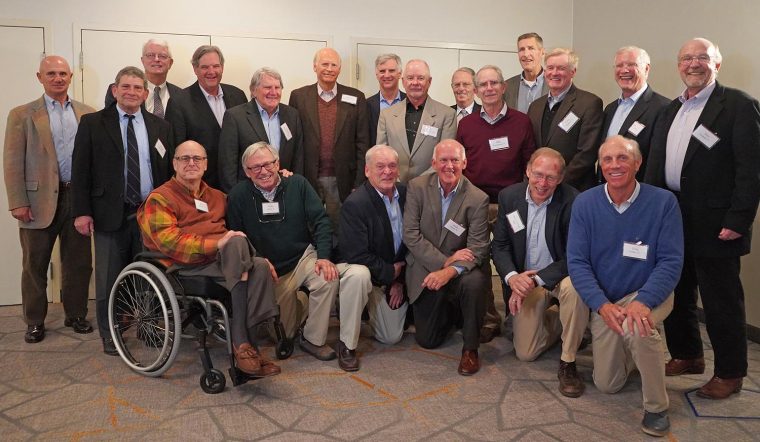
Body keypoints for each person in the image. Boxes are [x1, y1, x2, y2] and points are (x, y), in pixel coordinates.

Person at [645, 38, 760, 400]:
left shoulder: (738, 105)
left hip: (717, 221)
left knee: (720, 298)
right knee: (676, 289)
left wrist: (739, 219)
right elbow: (655, 165)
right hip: (672, 214)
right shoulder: (670, 110)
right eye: (687, 58)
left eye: (702, 58)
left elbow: (751, 169)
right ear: (678, 65)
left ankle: (730, 372)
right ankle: (687, 354)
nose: (693, 64)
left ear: (717, 64)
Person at [568, 135, 683, 437]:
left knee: (638, 328)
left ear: (638, 162)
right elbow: (577, 262)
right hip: (606, 299)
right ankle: (645, 350)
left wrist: (643, 301)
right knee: (608, 384)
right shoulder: (585, 203)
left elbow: (671, 261)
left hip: (648, 292)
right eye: (607, 159)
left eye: (623, 158)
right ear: (600, 165)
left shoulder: (663, 202)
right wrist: (602, 306)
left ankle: (657, 408)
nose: (615, 165)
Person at [137, 141, 280, 377]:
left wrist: (281, 177)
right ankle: (241, 342)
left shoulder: (217, 196)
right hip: (183, 266)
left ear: (205, 164)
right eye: (185, 158)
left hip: (224, 262)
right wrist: (218, 244)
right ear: (174, 163)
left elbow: (249, 204)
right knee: (233, 243)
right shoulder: (159, 199)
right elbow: (170, 242)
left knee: (261, 265)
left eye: (197, 159)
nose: (191, 163)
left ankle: (249, 348)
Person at [226, 142, 371, 371]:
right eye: (255, 168)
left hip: (303, 259)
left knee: (327, 276)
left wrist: (324, 256)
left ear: (278, 164)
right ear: (246, 172)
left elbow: (322, 221)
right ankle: (301, 313)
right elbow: (237, 239)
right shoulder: (238, 196)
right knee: (285, 332)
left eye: (267, 164)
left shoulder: (297, 184)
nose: (263, 171)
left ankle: (313, 339)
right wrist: (258, 261)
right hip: (271, 271)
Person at [72, 66, 174, 355]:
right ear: (115, 90)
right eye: (125, 87)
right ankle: (110, 333)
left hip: (149, 215)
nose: (131, 92)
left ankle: (148, 326)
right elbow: (81, 170)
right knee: (109, 278)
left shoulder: (160, 126)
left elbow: (165, 171)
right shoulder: (92, 123)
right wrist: (81, 211)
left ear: (145, 93)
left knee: (151, 274)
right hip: (108, 214)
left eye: (137, 88)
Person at [4, 55, 95, 343]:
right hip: (37, 201)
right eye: (51, 73)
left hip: (77, 198)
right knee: (35, 266)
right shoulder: (22, 114)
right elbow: (12, 160)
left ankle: (76, 314)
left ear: (71, 77)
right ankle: (34, 321)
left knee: (78, 263)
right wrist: (18, 200)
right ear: (40, 77)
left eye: (63, 73)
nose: (58, 78)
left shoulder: (87, 113)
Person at [492, 148, 586, 397]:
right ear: (527, 171)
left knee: (573, 290)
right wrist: (513, 278)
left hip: (558, 277)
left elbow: (575, 256)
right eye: (538, 174)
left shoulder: (573, 201)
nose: (542, 183)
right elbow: (499, 246)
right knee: (525, 352)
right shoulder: (508, 197)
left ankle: (569, 358)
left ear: (561, 179)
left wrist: (537, 279)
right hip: (524, 279)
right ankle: (563, 321)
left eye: (551, 178)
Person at [456, 64, 537, 342]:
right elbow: (461, 166)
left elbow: (530, 162)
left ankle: (515, 316)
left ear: (503, 87)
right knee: (478, 261)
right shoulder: (466, 124)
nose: (489, 89)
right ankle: (488, 319)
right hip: (477, 203)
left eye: (494, 83)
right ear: (476, 91)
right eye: (483, 85)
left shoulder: (521, 121)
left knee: (511, 258)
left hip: (510, 203)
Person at [403, 139, 490, 375]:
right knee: (428, 340)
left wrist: (449, 271)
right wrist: (443, 261)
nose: (449, 166)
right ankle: (453, 313)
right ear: (433, 163)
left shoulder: (477, 198)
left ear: (464, 162)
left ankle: (470, 349)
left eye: (454, 160)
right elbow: (410, 235)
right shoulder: (417, 187)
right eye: (443, 160)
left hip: (460, 273)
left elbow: (478, 247)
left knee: (475, 282)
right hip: (426, 269)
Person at [288, 48, 369, 228]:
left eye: (334, 65)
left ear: (339, 69)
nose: (329, 69)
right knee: (309, 224)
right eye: (325, 64)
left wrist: (359, 182)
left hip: (342, 178)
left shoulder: (356, 97)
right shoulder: (298, 97)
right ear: (314, 66)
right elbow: (293, 142)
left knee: (340, 227)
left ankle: (339, 257)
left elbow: (363, 143)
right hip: (308, 176)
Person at [338, 145, 408, 345]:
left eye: (392, 166)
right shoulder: (355, 204)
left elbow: (413, 240)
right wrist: (390, 274)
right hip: (373, 273)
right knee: (359, 276)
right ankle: (357, 304)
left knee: (391, 337)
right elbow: (356, 255)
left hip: (397, 273)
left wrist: (399, 281)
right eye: (380, 166)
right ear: (367, 171)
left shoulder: (407, 194)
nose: (387, 171)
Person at [166, 45, 247, 189]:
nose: (211, 72)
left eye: (216, 66)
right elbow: (176, 149)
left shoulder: (238, 95)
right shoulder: (179, 102)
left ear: (222, 67)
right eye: (204, 67)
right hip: (201, 186)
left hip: (238, 184)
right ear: (195, 69)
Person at [527, 48, 603, 190]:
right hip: (540, 188)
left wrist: (557, 182)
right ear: (545, 71)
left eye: (561, 68)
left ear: (573, 72)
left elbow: (587, 153)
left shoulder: (589, 103)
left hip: (573, 188)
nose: (554, 73)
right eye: (550, 68)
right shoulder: (535, 107)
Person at [218, 67, 303, 192]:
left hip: (284, 190)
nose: (273, 92)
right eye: (268, 87)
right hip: (248, 193)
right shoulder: (235, 117)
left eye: (277, 87)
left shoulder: (292, 115)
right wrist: (235, 195)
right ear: (253, 90)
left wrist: (295, 186)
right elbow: (227, 164)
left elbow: (298, 157)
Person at [377, 59, 457, 183]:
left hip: (430, 188)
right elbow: (381, 153)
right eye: (410, 78)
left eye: (420, 78)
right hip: (394, 186)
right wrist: (395, 179)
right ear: (403, 81)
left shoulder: (447, 115)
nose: (415, 83)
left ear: (429, 81)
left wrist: (419, 184)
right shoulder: (386, 115)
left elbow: (445, 159)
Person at [601, 46, 669, 180]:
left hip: (641, 191)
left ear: (647, 69)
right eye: (619, 65)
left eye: (632, 65)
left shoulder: (663, 108)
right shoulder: (610, 109)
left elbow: (657, 160)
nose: (624, 70)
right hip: (608, 189)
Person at [104, 38, 181, 119]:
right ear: (142, 60)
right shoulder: (120, 91)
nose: (156, 59)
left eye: (162, 56)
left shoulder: (181, 95)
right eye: (150, 55)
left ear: (170, 63)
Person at [367, 54, 406, 146]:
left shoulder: (410, 102)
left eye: (391, 70)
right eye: (382, 71)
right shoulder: (366, 105)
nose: (387, 75)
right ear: (376, 74)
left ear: (400, 73)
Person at [504, 33, 549, 113]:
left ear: (542, 52)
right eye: (521, 49)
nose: (526, 54)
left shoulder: (554, 84)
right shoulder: (507, 86)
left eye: (531, 48)